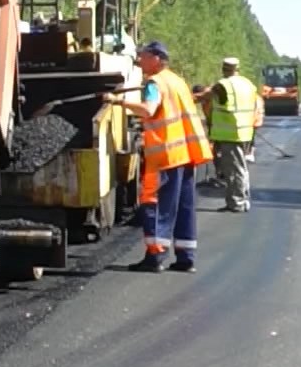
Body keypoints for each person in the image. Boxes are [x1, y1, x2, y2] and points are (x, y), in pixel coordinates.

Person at [105, 40, 214, 273]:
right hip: (184, 154)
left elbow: (148, 109)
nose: (139, 61)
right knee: (184, 206)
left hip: (165, 155)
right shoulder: (177, 81)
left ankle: (155, 257)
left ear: (156, 58)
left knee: (157, 205)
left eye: (143, 56)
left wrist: (117, 101)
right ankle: (186, 257)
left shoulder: (154, 83)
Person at [201, 56, 258, 212]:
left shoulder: (223, 85)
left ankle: (237, 203)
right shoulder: (248, 84)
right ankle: (242, 199)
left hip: (230, 134)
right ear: (238, 69)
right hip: (245, 132)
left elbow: (204, 97)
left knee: (234, 170)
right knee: (241, 168)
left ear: (224, 69)